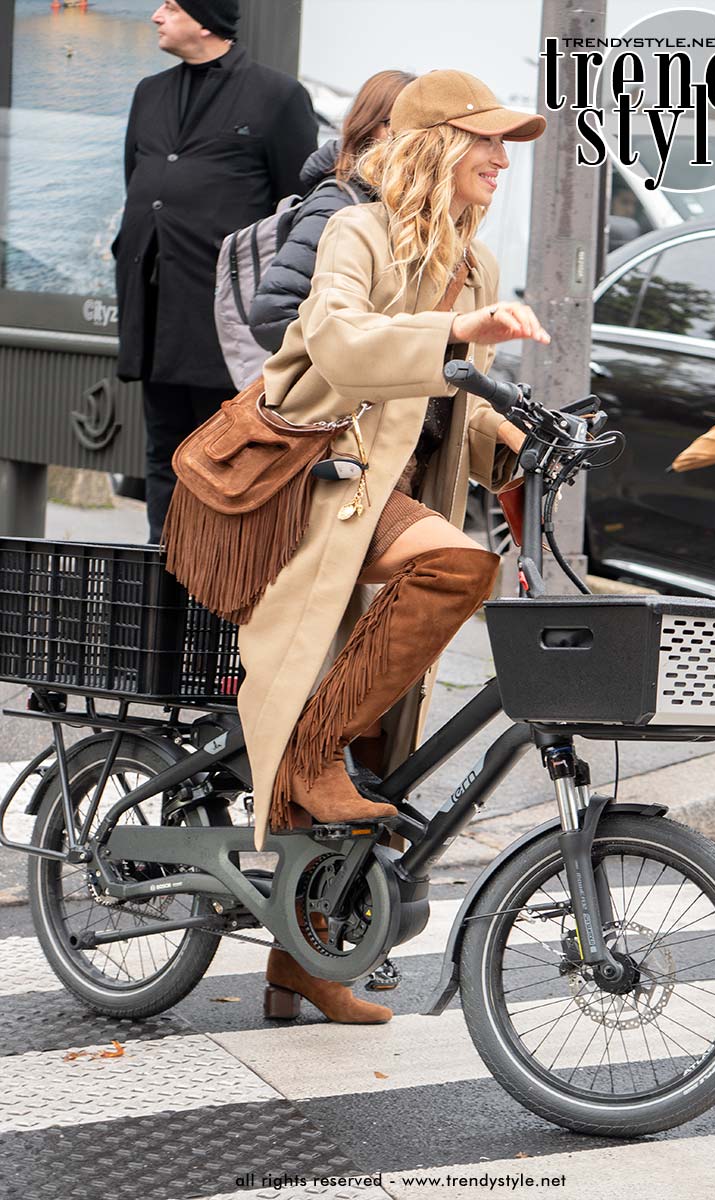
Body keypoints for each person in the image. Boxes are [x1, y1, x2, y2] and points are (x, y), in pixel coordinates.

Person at [231, 70, 549, 1025]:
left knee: (381, 737)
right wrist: (449, 326)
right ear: (431, 146)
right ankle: (306, 754)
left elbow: (456, 400)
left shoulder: (476, 263)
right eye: (484, 142)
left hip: (392, 493)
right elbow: (334, 341)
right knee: (459, 565)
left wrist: (522, 437)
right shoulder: (353, 231)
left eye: (505, 146)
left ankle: (303, 960)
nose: (501, 160)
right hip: (315, 487)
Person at [113, 0, 318, 542]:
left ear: (205, 19)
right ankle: (164, 591)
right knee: (164, 456)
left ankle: (214, 601)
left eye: (171, 5)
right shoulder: (149, 93)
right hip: (157, 310)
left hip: (228, 324)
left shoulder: (277, 97)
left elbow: (299, 208)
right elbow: (136, 178)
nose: (156, 15)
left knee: (227, 463)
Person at [249, 69, 415, 353]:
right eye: (397, 124)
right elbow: (272, 315)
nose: (410, 138)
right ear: (369, 126)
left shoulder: (395, 205)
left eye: (423, 127)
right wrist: (353, 362)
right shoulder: (336, 203)